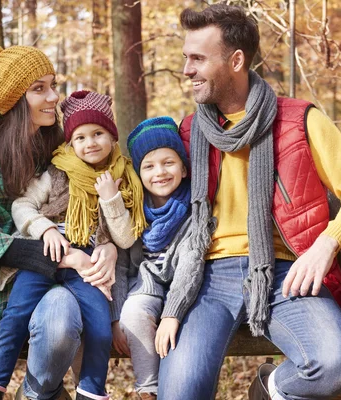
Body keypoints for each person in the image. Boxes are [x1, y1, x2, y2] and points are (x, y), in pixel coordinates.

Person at [156, 4, 341, 400]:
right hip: (208, 278)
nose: (186, 70)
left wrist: (327, 243)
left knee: (337, 362)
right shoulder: (189, 131)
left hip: (285, 273)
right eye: (185, 58)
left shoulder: (299, 121)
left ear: (236, 60)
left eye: (197, 58)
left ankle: (270, 387)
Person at [0, 45, 118, 400]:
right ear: (14, 99)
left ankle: (35, 392)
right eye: (39, 89)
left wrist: (106, 246)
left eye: (52, 85)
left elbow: (93, 200)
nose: (53, 97)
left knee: (63, 319)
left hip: (44, 283)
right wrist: (69, 256)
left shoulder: (59, 145)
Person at [0, 90, 146, 400]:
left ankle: (91, 392)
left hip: (87, 264)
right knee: (16, 315)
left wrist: (111, 199)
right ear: (70, 142)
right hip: (45, 255)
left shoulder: (123, 177)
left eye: (98, 133)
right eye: (80, 137)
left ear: (112, 136)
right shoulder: (56, 172)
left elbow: (125, 237)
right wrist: (45, 228)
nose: (89, 142)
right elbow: (22, 205)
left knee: (100, 328)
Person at [111, 117, 214, 400]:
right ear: (139, 173)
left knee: (190, 333)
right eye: (149, 166)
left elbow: (191, 264)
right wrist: (115, 317)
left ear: (183, 167)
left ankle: (179, 387)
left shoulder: (196, 206)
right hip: (146, 284)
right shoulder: (134, 209)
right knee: (133, 314)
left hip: (189, 291)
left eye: (168, 162)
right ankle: (149, 391)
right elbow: (120, 266)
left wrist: (172, 313)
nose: (160, 172)